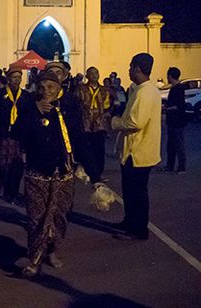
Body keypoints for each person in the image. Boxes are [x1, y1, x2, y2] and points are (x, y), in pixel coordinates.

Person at [12, 70, 90, 277]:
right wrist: (35, 112)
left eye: (51, 87)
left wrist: (92, 171)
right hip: (37, 173)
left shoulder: (69, 107)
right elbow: (17, 133)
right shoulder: (28, 106)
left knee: (59, 215)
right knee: (36, 217)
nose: (46, 91)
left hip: (63, 173)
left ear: (59, 89)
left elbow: (79, 137)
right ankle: (34, 258)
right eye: (42, 88)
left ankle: (52, 250)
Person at [111, 53, 161, 241]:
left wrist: (115, 122)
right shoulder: (142, 89)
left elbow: (136, 122)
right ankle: (130, 221)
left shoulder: (145, 92)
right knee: (131, 191)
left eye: (131, 67)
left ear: (138, 68)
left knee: (137, 193)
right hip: (136, 151)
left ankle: (138, 230)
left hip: (138, 152)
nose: (129, 70)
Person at [0, 63, 30, 202]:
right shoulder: (0, 95)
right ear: (9, 78)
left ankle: (13, 190)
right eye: (14, 77)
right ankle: (4, 184)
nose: (17, 80)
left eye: (19, 77)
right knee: (2, 163)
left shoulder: (25, 96)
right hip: (3, 134)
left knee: (17, 165)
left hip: (19, 136)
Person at [75, 67, 112, 181]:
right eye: (91, 73)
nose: (94, 75)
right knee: (86, 148)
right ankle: (86, 171)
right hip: (85, 123)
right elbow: (76, 104)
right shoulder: (81, 89)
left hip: (99, 124)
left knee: (99, 150)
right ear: (87, 76)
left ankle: (98, 173)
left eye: (96, 73)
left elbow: (108, 106)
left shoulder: (104, 90)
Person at [161, 67, 187, 173]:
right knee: (170, 145)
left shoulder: (179, 89)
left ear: (170, 76)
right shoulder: (174, 88)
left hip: (177, 121)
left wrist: (167, 109)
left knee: (178, 144)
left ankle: (181, 167)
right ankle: (169, 166)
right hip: (172, 121)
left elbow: (179, 106)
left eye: (168, 76)